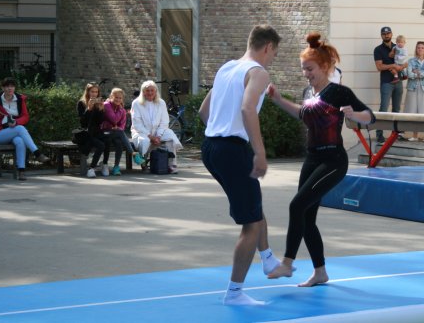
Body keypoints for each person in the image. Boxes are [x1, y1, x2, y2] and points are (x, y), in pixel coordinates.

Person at [267, 31, 375, 287]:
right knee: (306, 216)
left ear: (325, 66)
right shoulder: (309, 92)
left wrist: (354, 115)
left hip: (333, 160)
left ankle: (287, 263)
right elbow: (302, 114)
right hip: (313, 158)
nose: (306, 73)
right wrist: (278, 99)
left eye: (310, 68)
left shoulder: (339, 92)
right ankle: (320, 272)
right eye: (303, 69)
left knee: (296, 206)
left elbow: (370, 116)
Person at [198, 24, 283, 306]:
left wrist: (220, 131)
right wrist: (259, 152)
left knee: (252, 204)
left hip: (211, 147)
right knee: (251, 225)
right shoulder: (258, 72)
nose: (272, 59)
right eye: (274, 53)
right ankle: (234, 293)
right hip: (231, 150)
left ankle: (268, 259)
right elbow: (248, 109)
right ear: (268, 47)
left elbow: (204, 111)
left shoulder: (227, 68)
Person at [0, 77, 49, 180]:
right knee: (20, 129)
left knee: (20, 141)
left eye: (12, 86)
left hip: (14, 129)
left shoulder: (19, 99)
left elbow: (25, 116)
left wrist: (16, 122)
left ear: (14, 88)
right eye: (7, 86)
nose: (10, 88)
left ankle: (21, 171)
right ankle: (37, 153)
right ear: (2, 88)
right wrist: (5, 123)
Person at [130, 80, 182, 174]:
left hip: (158, 131)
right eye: (147, 90)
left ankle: (172, 165)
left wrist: (158, 135)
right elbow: (137, 124)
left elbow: (164, 121)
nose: (150, 93)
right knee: (144, 141)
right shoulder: (136, 103)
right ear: (143, 92)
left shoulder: (161, 102)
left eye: (152, 90)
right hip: (141, 131)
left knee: (170, 137)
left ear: (155, 91)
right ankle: (143, 164)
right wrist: (151, 136)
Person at [100, 88, 144, 176]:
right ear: (111, 97)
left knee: (119, 142)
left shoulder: (122, 109)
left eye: (120, 98)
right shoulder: (106, 105)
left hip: (115, 134)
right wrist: (120, 110)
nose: (118, 99)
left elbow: (122, 126)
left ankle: (116, 167)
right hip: (104, 133)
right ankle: (133, 154)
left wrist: (117, 127)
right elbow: (114, 119)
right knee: (120, 133)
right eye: (116, 97)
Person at [374, 26, 406, 144]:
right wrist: (393, 66)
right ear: (381, 35)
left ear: (391, 34)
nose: (386, 35)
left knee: (396, 109)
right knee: (383, 109)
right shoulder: (378, 49)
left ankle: (396, 134)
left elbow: (404, 61)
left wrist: (402, 67)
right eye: (384, 34)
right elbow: (379, 67)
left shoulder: (398, 46)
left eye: (388, 33)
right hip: (386, 82)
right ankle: (379, 135)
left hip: (399, 81)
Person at [77, 83, 107, 178]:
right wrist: (89, 109)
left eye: (96, 92)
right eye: (92, 92)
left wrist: (101, 110)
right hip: (86, 133)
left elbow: (99, 122)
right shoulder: (81, 103)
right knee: (101, 145)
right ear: (87, 92)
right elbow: (83, 122)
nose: (94, 94)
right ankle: (91, 168)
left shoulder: (98, 103)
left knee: (109, 140)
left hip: (97, 132)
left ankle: (104, 164)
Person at [404, 41, 424, 142]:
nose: (420, 49)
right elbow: (409, 74)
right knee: (413, 111)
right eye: (418, 48)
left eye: (422, 48)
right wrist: (420, 73)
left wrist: (416, 72)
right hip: (412, 88)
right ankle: (415, 136)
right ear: (416, 49)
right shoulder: (411, 61)